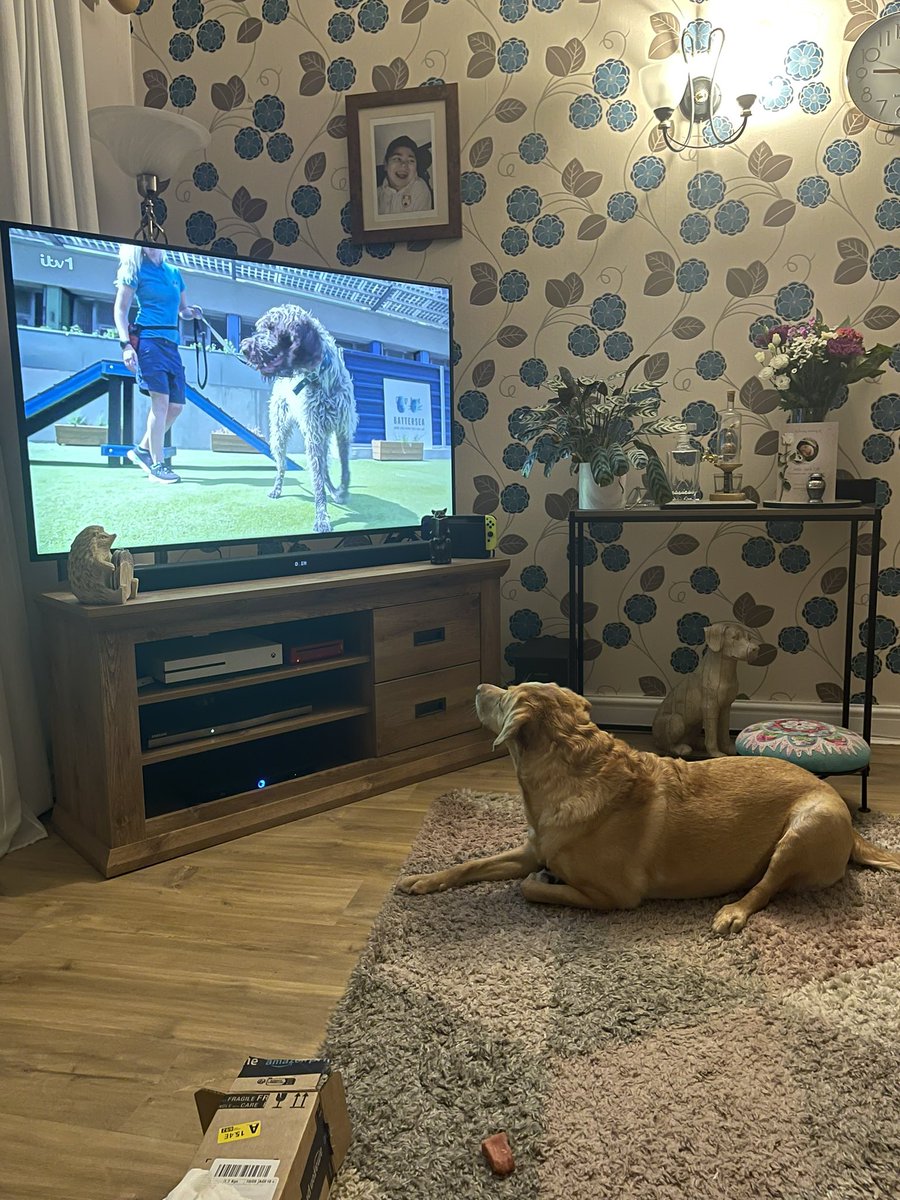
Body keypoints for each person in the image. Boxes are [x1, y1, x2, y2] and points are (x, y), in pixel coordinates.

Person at [113, 244, 201, 484]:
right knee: (160, 404)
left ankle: (142, 449)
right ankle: (157, 465)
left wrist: (190, 313)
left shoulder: (174, 272)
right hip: (149, 342)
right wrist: (126, 346)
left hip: (172, 345)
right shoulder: (135, 269)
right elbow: (120, 310)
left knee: (176, 406)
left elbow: (182, 310)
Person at [376, 135, 433, 215]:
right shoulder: (376, 195)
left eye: (410, 160)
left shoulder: (420, 190)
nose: (404, 165)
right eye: (397, 159)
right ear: (385, 164)